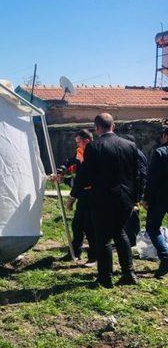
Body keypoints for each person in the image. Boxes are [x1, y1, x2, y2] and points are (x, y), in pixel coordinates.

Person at [72, 113, 139, 288]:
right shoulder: (130, 145)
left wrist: (75, 193)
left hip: (103, 198)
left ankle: (105, 277)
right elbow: (137, 175)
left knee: (103, 238)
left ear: (97, 128)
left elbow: (84, 175)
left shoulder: (94, 147)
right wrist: (136, 198)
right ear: (113, 126)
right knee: (120, 233)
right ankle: (129, 273)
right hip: (125, 198)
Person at [57, 129, 96, 265]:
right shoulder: (80, 152)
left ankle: (94, 256)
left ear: (87, 141)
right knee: (77, 224)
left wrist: (71, 196)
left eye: (79, 142)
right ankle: (75, 253)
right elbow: (70, 160)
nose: (77, 145)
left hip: (92, 195)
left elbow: (82, 179)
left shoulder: (94, 154)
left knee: (89, 227)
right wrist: (62, 169)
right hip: (82, 194)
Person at [143, 127, 168, 279]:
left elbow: (151, 179)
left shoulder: (160, 153)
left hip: (160, 198)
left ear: (165, 136)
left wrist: (146, 198)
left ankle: (165, 256)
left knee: (152, 228)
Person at [119, 134, 147, 247]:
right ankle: (130, 239)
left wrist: (138, 195)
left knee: (132, 216)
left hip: (134, 191)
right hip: (132, 190)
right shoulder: (134, 153)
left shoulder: (136, 155)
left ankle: (132, 240)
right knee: (129, 216)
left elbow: (141, 175)